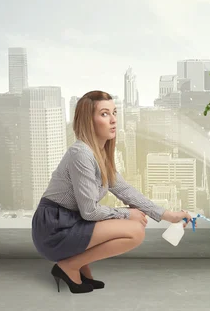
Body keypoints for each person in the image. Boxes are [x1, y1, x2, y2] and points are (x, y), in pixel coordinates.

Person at [31, 90, 193, 294]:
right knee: (135, 230)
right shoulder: (81, 154)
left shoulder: (99, 154)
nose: (114, 120)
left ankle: (77, 265)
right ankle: (69, 266)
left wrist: (168, 215)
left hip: (71, 220)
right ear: (88, 120)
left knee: (134, 223)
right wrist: (127, 213)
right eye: (105, 114)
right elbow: (89, 212)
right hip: (55, 227)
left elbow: (124, 189)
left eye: (114, 113)